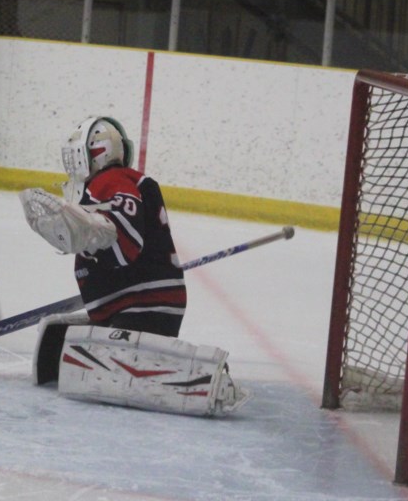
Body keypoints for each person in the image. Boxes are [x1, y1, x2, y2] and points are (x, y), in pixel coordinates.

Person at [19, 116, 250, 417]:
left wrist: (85, 231)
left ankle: (203, 379)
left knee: (94, 358)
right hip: (130, 307)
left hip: (142, 306)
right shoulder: (109, 184)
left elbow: (126, 238)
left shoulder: (111, 181)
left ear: (91, 154)